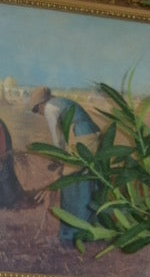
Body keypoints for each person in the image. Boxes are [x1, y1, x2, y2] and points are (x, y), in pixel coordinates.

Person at [29, 86, 102, 243]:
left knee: (71, 184)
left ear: (41, 104)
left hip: (81, 136)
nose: (39, 114)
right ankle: (88, 229)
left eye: (36, 110)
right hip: (89, 134)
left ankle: (71, 234)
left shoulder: (50, 108)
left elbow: (58, 140)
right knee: (85, 180)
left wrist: (60, 161)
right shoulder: (61, 102)